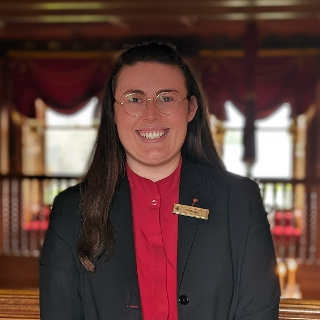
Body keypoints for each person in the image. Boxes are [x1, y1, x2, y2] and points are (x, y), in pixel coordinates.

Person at [39, 42, 280, 320]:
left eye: (167, 98)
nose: (151, 115)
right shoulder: (71, 212)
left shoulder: (240, 201)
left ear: (190, 109)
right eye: (134, 99)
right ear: (113, 113)